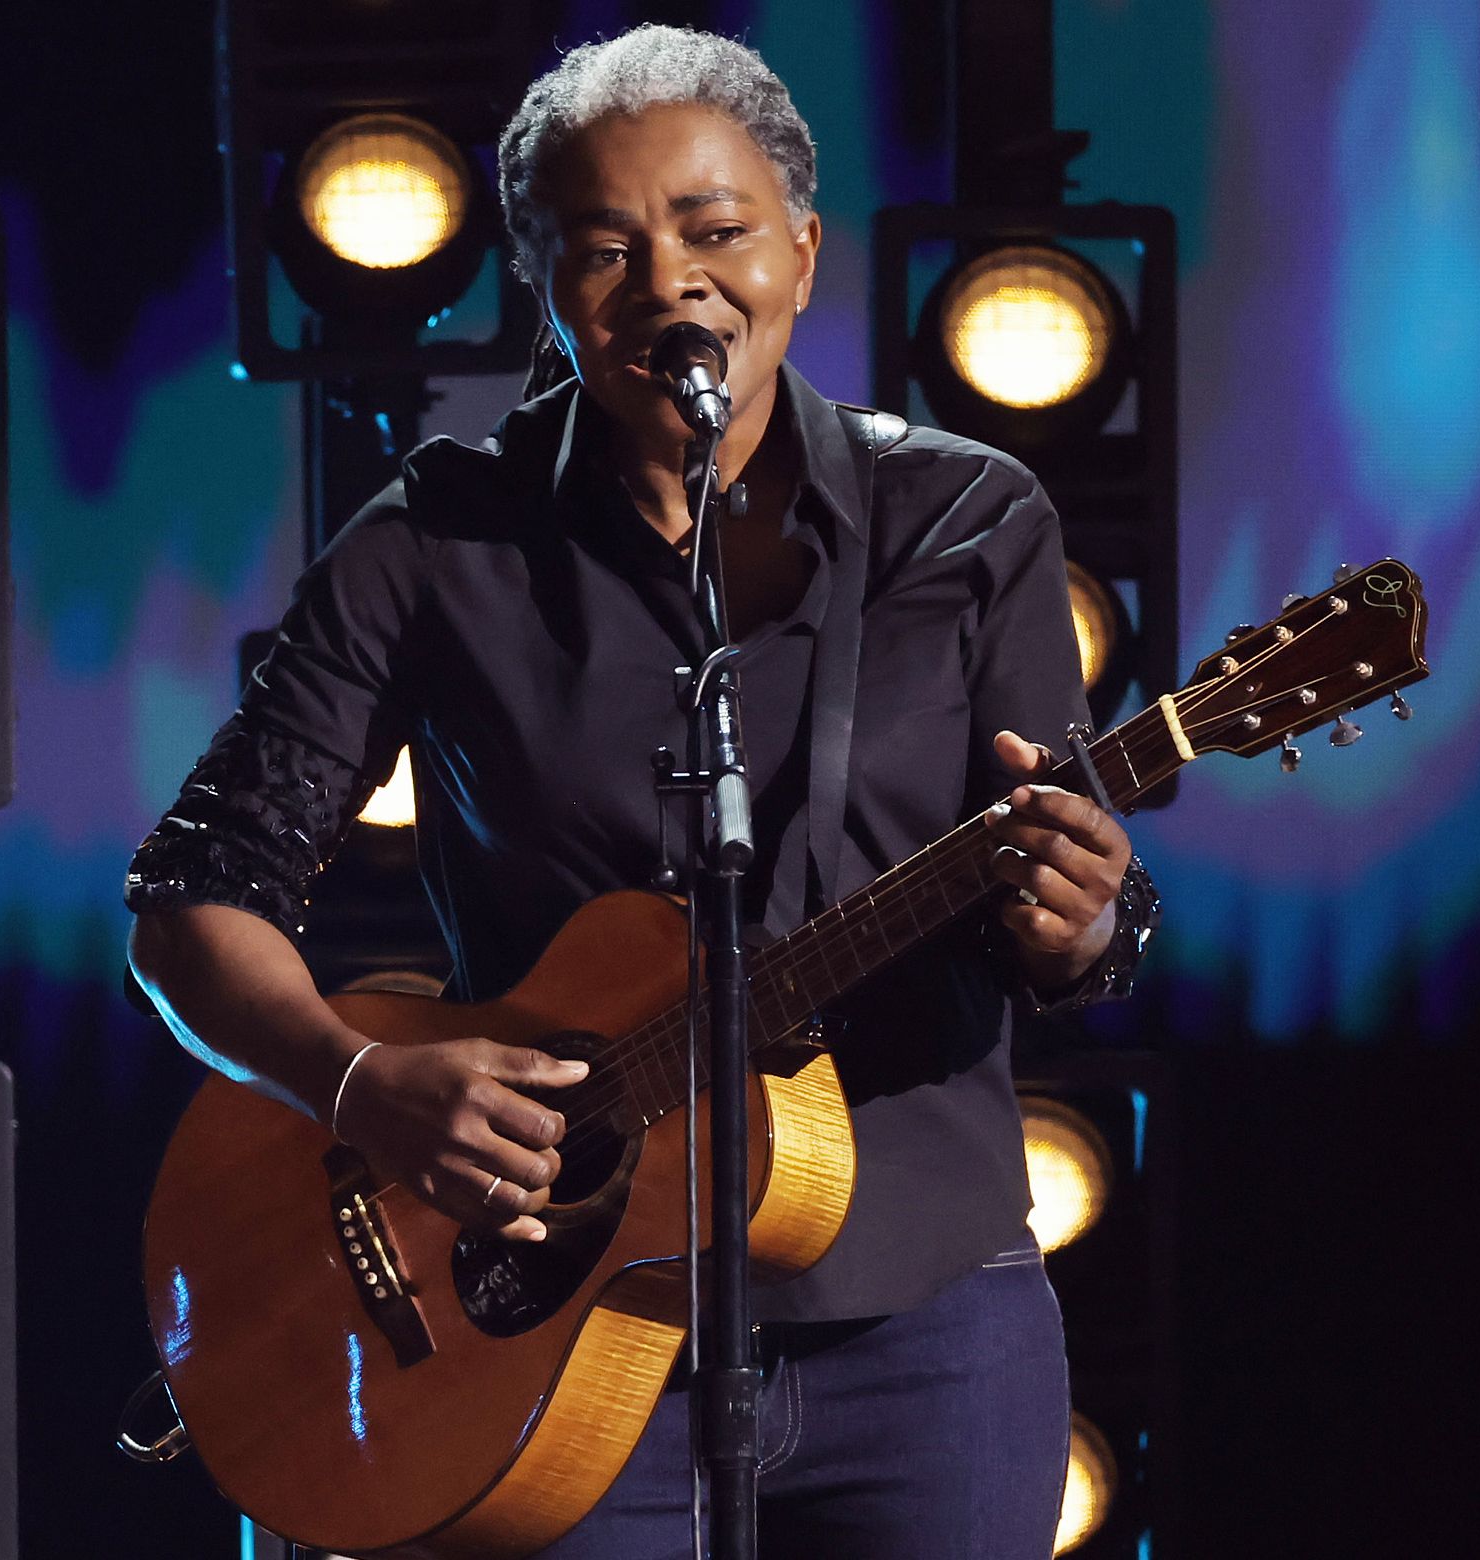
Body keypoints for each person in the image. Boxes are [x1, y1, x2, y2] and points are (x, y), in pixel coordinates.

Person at [127, 24, 1158, 1559]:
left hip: (925, 1328)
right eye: (605, 249)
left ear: (801, 253)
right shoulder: (434, 547)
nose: (670, 283)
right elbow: (194, 898)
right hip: (534, 1328)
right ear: (544, 287)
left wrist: (1080, 921)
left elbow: (1070, 915)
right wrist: (361, 1088)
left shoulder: (964, 523)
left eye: (715, 231)